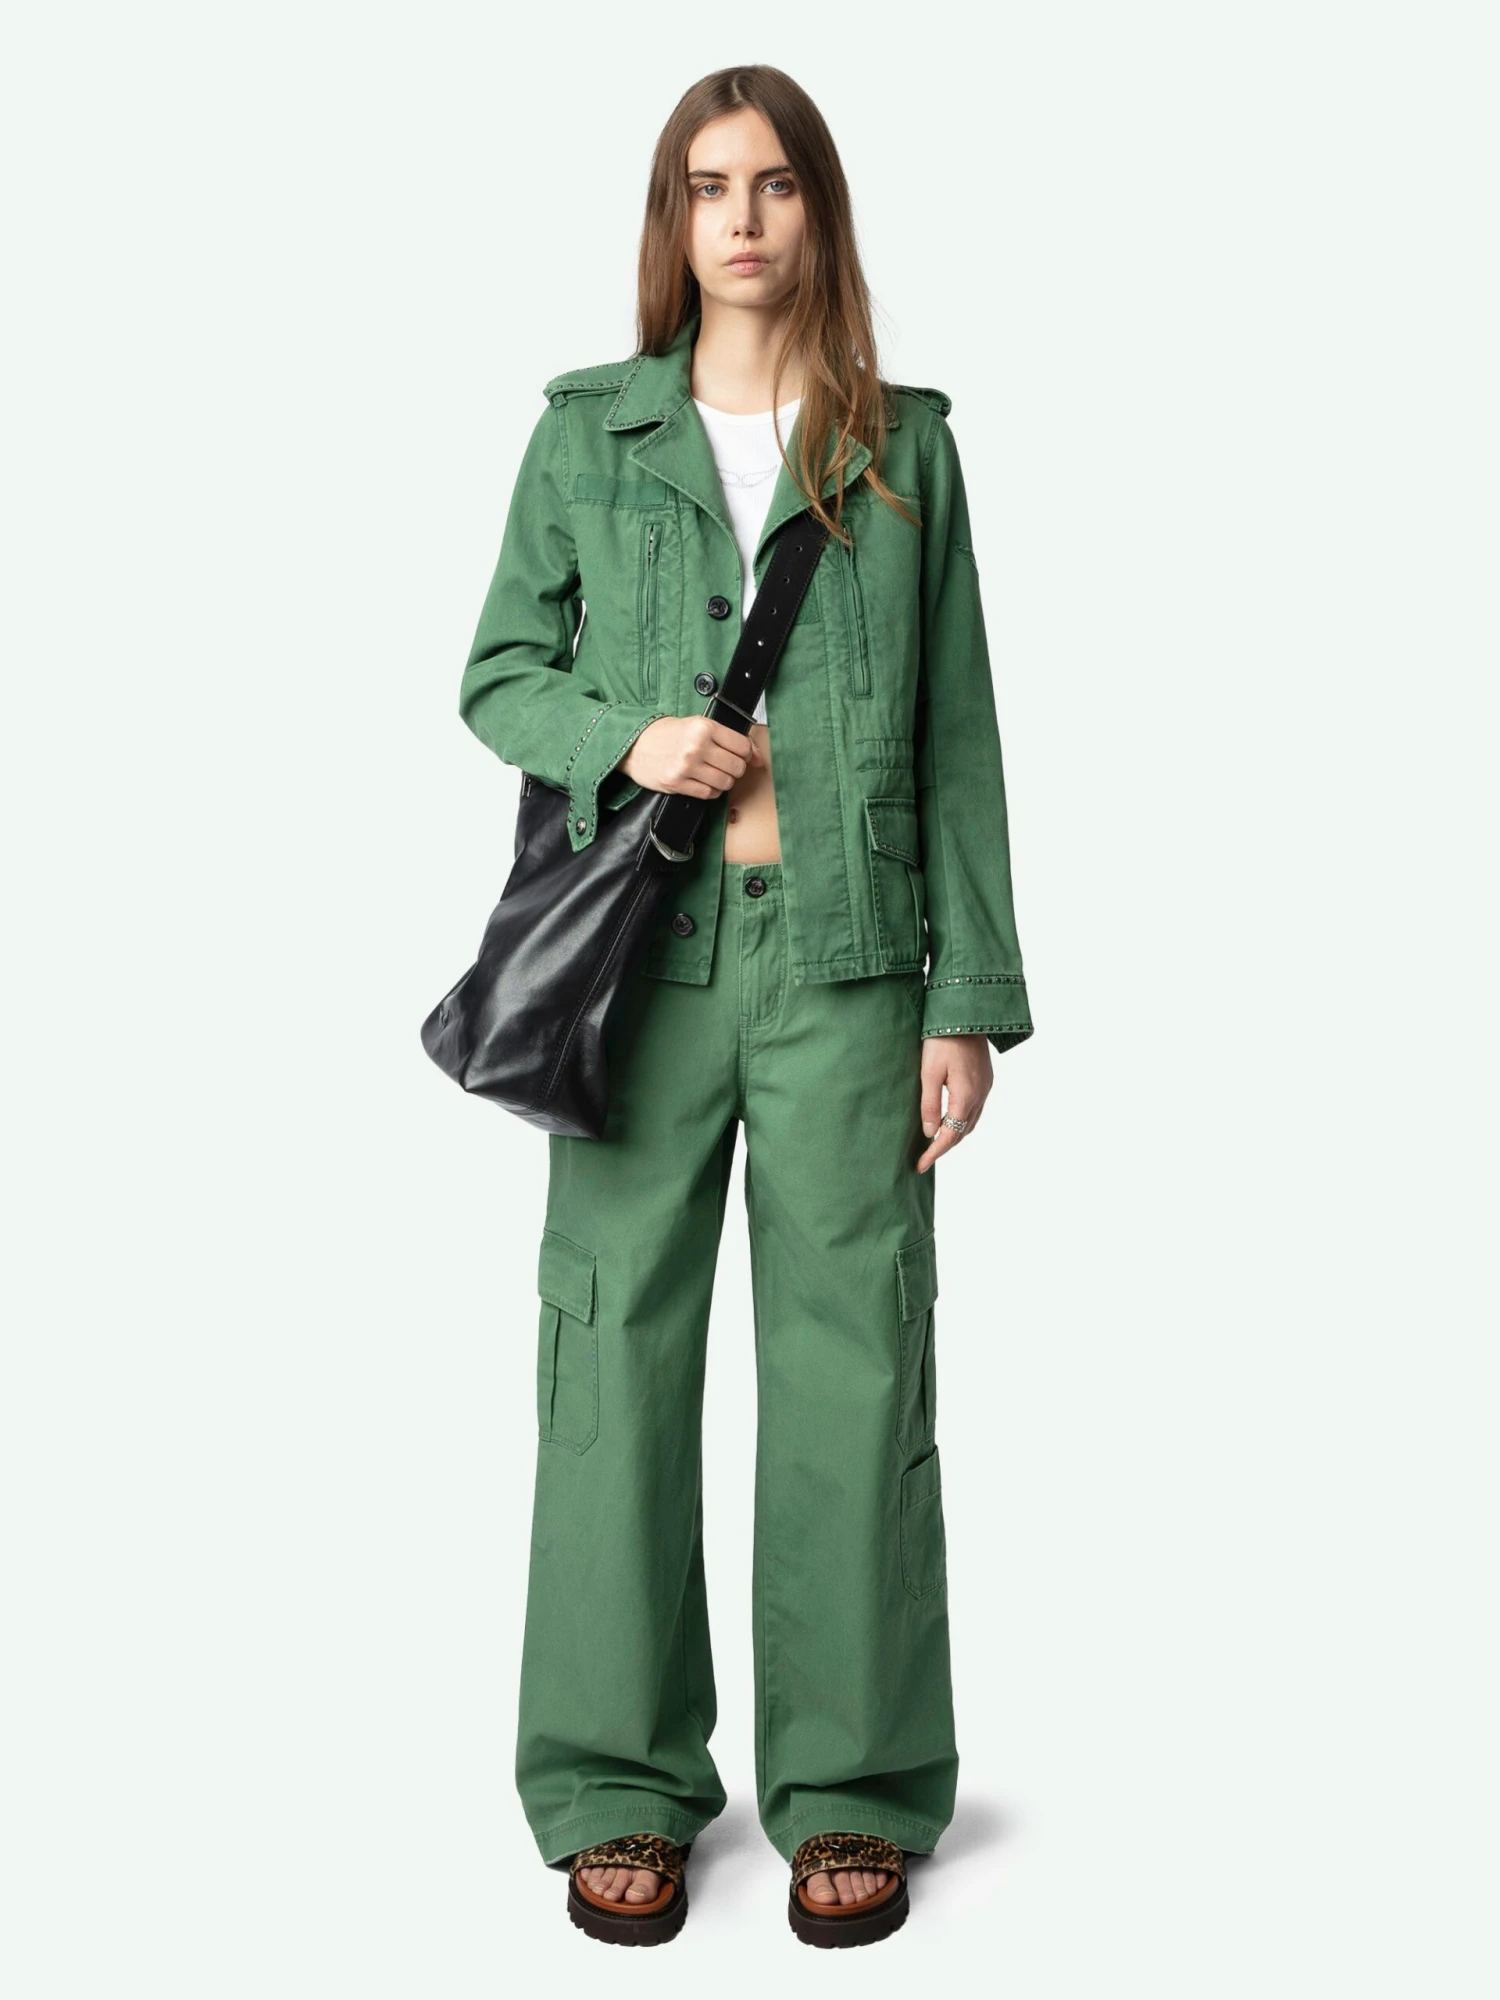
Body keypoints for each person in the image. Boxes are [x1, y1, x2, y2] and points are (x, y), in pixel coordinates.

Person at [455, 64, 1033, 1947]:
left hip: (850, 965)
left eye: (775, 184)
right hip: (647, 966)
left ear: (817, 211)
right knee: (613, 1362)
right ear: (673, 220)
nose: (744, 219)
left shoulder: (903, 449)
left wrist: (968, 999)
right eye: (709, 187)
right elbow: (498, 675)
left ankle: (853, 1787)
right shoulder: (588, 437)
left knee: (858, 1368)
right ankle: (614, 1782)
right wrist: (628, 735)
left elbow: (958, 735)